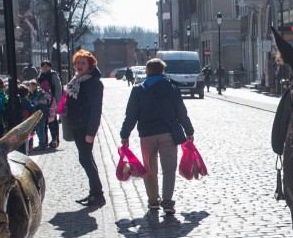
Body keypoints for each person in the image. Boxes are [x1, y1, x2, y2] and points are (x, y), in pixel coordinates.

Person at [120, 58, 195, 216]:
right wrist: (189, 131)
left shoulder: (138, 90)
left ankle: (153, 200)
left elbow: (131, 116)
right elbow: (182, 113)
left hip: (147, 135)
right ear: (162, 71)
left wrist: (125, 135)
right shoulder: (172, 88)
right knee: (169, 169)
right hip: (167, 134)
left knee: (149, 169)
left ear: (147, 71)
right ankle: (167, 202)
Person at [64, 50, 106, 206]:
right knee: (87, 159)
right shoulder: (75, 81)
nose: (80, 66)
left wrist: (91, 132)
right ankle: (94, 193)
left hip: (85, 127)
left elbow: (96, 110)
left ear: (90, 65)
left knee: (85, 159)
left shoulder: (94, 83)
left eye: (83, 63)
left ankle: (98, 195)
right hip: (75, 125)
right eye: (78, 63)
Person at [37, 60, 63, 149]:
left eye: (47, 66)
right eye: (43, 66)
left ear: (50, 67)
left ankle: (55, 140)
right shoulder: (40, 75)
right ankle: (45, 141)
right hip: (42, 101)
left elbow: (58, 88)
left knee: (53, 121)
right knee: (43, 121)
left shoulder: (53, 75)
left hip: (52, 101)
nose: (45, 67)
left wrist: (58, 100)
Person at [27, 79, 52, 149]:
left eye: (33, 86)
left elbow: (43, 105)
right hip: (34, 115)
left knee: (40, 130)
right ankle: (41, 143)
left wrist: (40, 114)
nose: (32, 87)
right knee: (37, 130)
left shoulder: (40, 93)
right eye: (30, 86)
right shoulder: (31, 94)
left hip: (40, 114)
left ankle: (42, 144)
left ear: (36, 86)